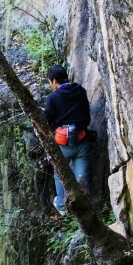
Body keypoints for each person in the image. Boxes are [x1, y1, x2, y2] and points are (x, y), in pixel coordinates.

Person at [44, 65, 91, 215]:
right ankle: (83, 205)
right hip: (82, 139)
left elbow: (46, 119)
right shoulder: (80, 90)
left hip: (64, 143)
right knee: (81, 176)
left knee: (59, 173)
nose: (51, 85)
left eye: (50, 81)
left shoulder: (53, 97)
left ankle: (62, 205)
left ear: (54, 80)